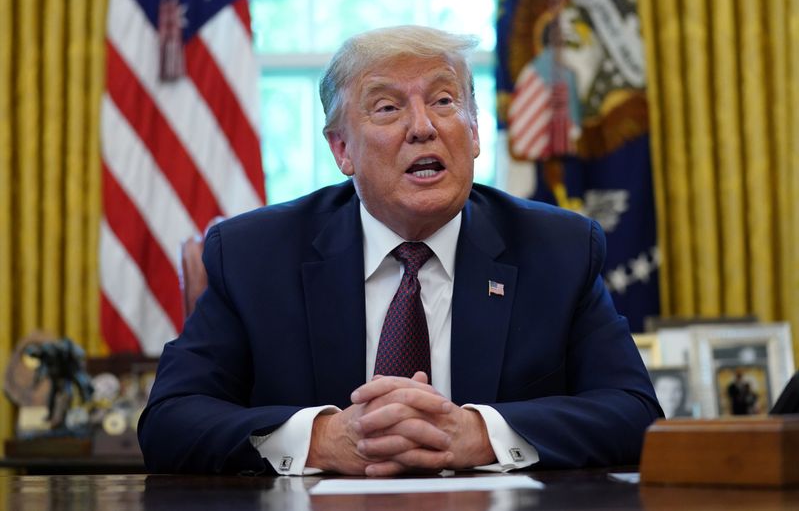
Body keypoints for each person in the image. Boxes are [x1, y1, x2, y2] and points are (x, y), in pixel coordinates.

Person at [138, 25, 662, 476]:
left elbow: (634, 413)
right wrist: (326, 439)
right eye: (388, 107)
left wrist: (477, 434)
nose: (423, 126)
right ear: (342, 149)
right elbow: (170, 420)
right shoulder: (254, 255)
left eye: (443, 100)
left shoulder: (559, 250)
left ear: (475, 131)